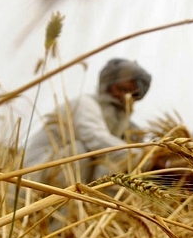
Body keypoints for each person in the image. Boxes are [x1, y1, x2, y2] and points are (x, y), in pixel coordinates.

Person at [24, 58, 152, 186]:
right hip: (32, 180)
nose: (125, 97)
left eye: (134, 94)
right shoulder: (84, 104)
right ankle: (65, 204)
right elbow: (96, 138)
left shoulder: (126, 126)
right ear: (107, 85)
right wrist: (142, 157)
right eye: (122, 89)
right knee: (81, 151)